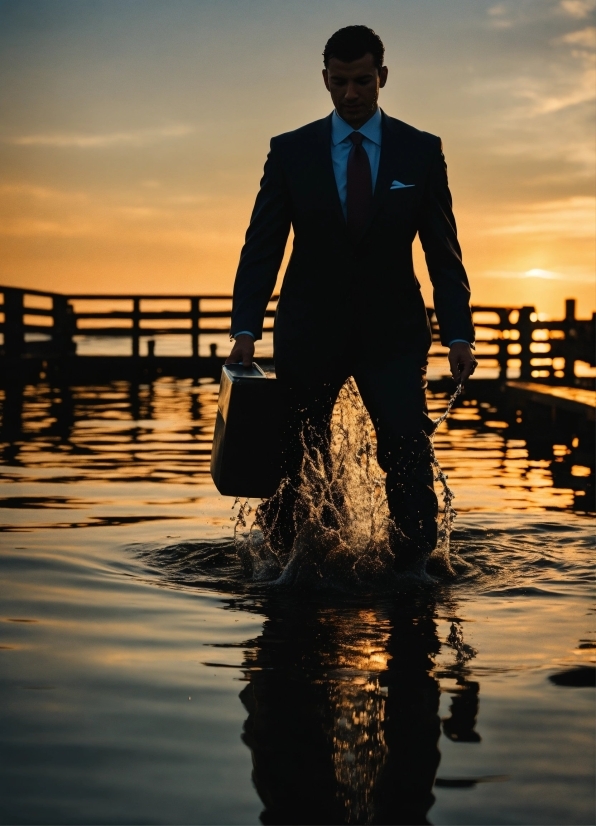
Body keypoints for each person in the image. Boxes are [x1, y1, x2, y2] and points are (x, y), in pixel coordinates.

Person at [226, 25, 476, 570]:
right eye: (339, 83)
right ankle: (287, 570)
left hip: (393, 335)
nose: (351, 95)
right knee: (293, 457)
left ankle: (415, 571)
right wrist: (243, 328)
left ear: (382, 77)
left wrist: (459, 333)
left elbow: (444, 252)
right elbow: (262, 246)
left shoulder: (421, 151)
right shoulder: (291, 152)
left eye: (363, 81)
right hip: (308, 331)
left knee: (408, 451)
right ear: (325, 80)